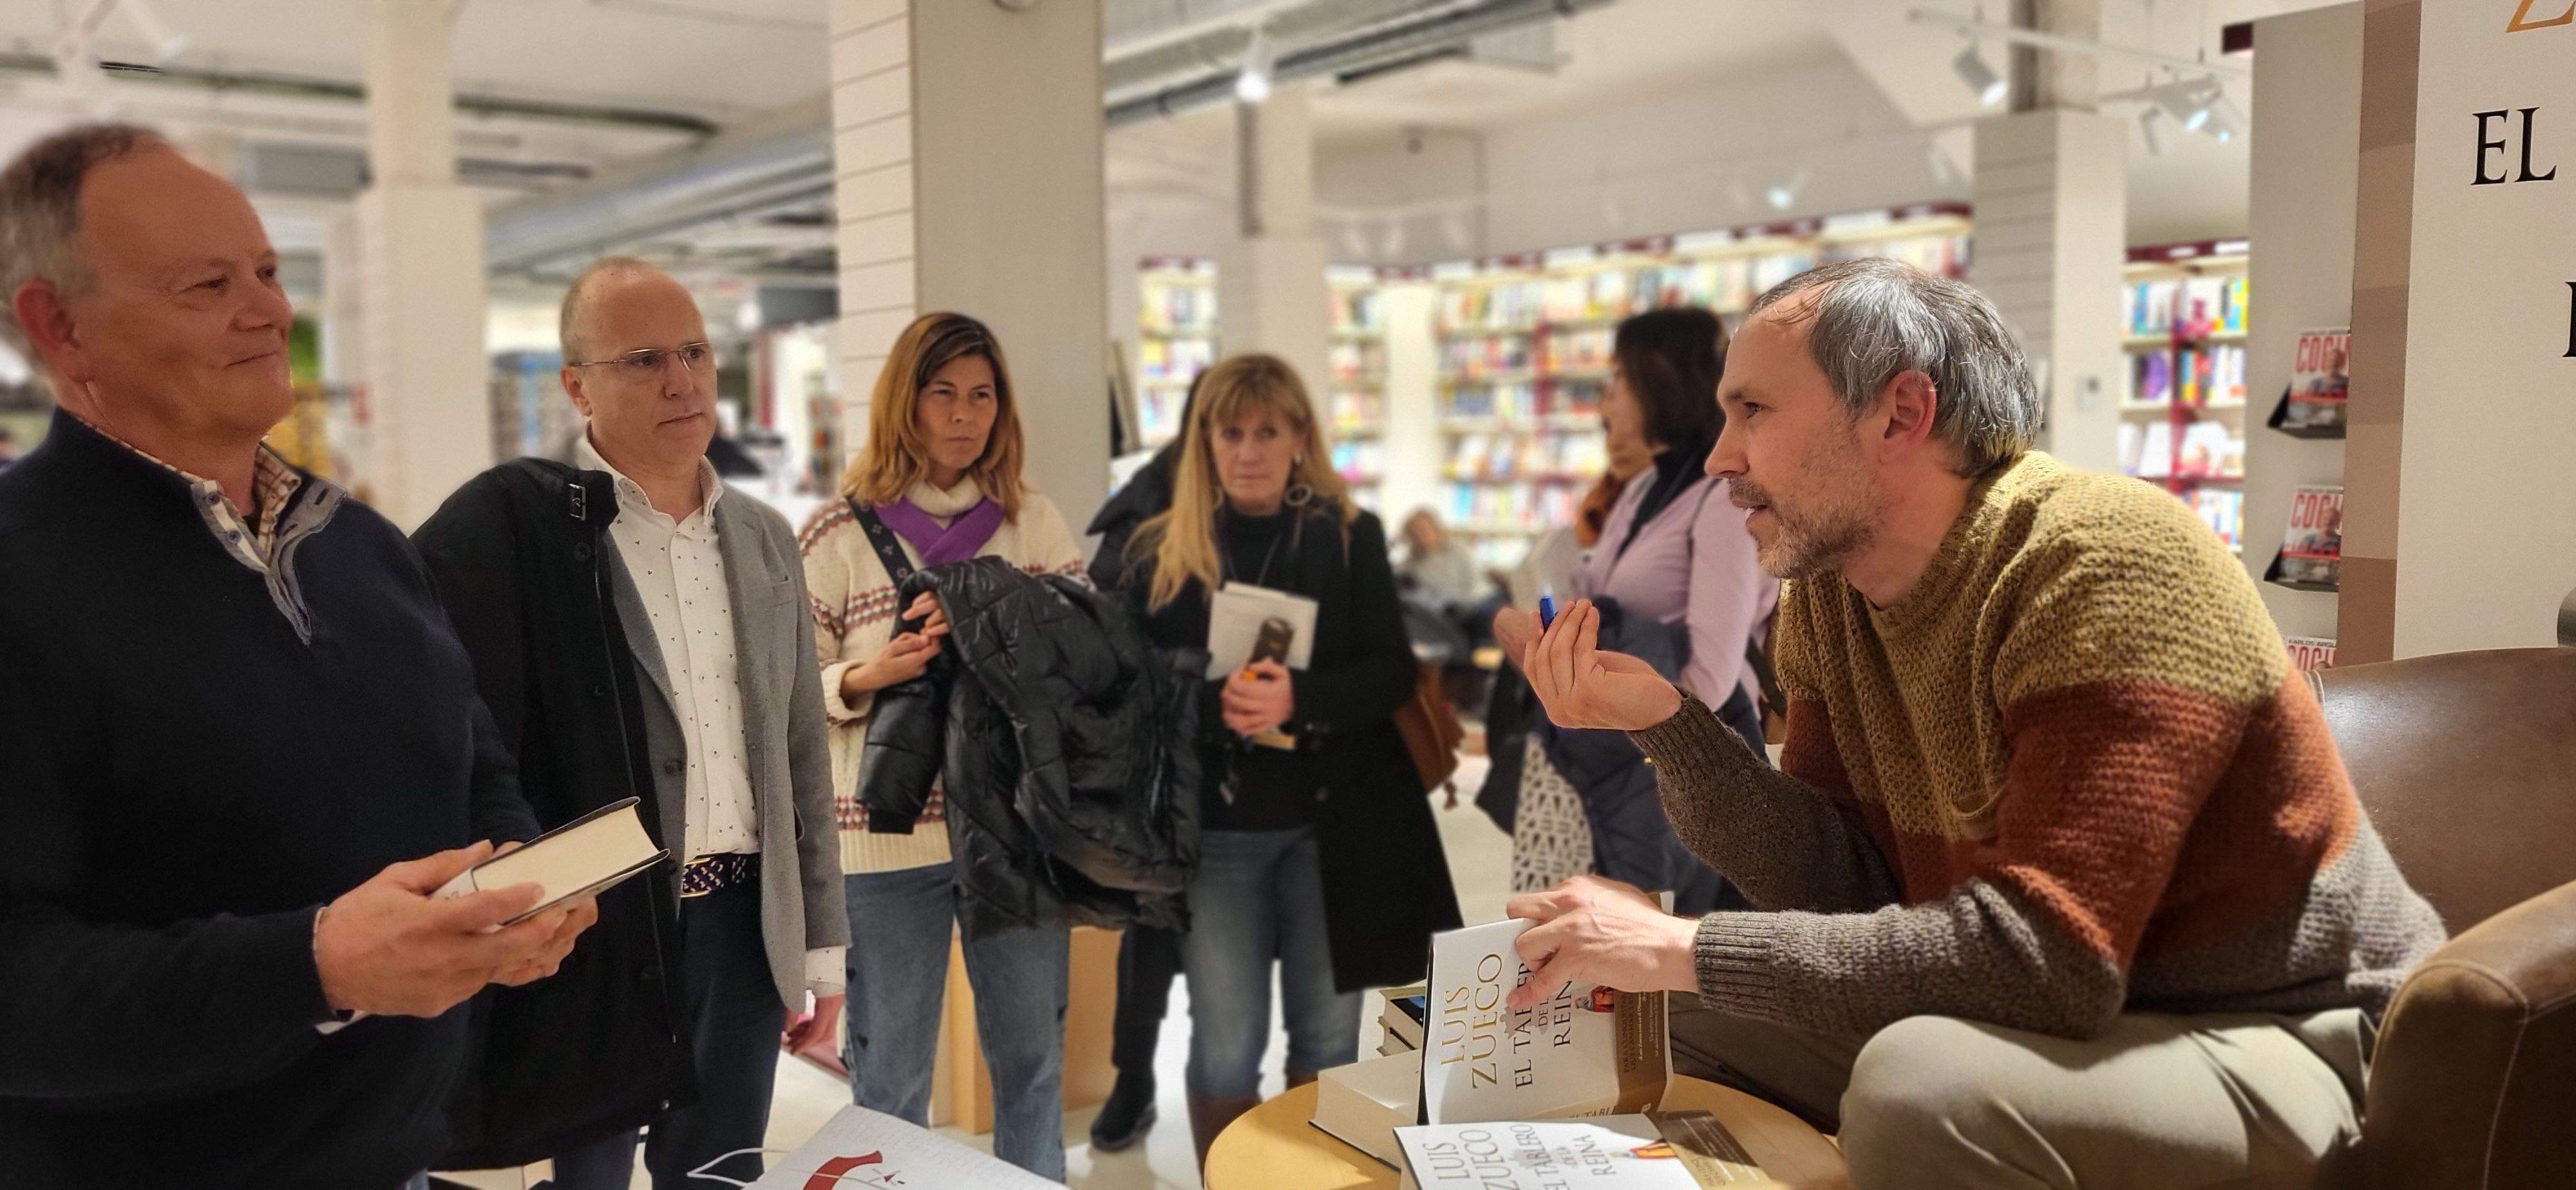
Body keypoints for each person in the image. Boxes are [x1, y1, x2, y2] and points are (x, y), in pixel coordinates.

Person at [1496, 259, 2447, 1189]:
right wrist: (1668, 724)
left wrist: (1679, 947)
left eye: (1754, 411)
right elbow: (1844, 885)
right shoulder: (1833, 593)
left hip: (2295, 1033)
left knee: (1921, 1090)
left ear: (1902, 415)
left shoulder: (2107, 563)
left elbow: (2049, 963)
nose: (1719, 458)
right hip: (2072, 1010)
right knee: (1649, 1014)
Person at [0, 123, 594, 1190]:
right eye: (205, 284)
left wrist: (518, 870)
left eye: (269, 271)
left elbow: (468, 754)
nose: (271, 310)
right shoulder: (21, 577)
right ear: (59, 327)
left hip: (402, 1157)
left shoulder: (359, 547)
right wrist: (313, 965)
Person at [412, 258, 850, 1188]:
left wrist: (818, 944)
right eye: (644, 359)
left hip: (740, 925)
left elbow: (799, 752)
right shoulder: (539, 535)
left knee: (721, 1172)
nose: (682, 381)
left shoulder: (767, 535)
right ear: (578, 386)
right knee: (591, 1174)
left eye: (694, 352)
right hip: (607, 930)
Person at [1116, 353, 1461, 1164]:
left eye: (1267, 431)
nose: (1248, 451)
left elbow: (1391, 670)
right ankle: (1231, 1180)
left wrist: (1295, 701)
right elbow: (1125, 692)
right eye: (1230, 432)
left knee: (1329, 1033)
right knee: (1227, 1039)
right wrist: (1212, 704)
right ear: (1204, 441)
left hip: (1330, 826)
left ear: (1299, 436)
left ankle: (1311, 1183)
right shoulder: (1162, 550)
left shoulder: (1346, 535)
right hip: (1217, 834)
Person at [798, 311, 1086, 1179]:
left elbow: (1091, 662)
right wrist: (868, 674)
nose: (964, 415)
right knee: (888, 1080)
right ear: (906, 404)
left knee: (1033, 1069)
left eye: (982, 396)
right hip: (883, 840)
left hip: (1015, 832)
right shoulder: (834, 534)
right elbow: (787, 693)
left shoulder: (1032, 521)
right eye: (943, 394)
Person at [1542, 308, 1777, 916]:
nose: (1608, 401)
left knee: (1661, 959)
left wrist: (1607, 678)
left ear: (1659, 379)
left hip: (1681, 775)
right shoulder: (1649, 486)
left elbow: (1710, 681)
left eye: (1619, 377)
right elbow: (1593, 586)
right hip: (1623, 767)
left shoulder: (1721, 504)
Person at [1079, 372, 1202, 1154]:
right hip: (1163, 755)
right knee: (1153, 930)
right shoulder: (1148, 503)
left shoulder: (1290, 507)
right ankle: (1135, 1078)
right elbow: (1102, 628)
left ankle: (1229, 1087)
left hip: (1268, 761)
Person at [1395, 507, 1485, 607]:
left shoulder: (1458, 549)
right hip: (1441, 610)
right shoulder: (1413, 561)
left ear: (1435, 529)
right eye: (1414, 534)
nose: (1420, 537)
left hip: (1473, 604)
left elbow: (1474, 586)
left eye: (1423, 530)